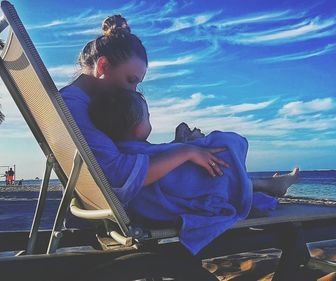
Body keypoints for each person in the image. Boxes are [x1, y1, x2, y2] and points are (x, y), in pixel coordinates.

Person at [61, 15, 298, 254]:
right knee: (219, 147)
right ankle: (265, 186)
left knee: (202, 159)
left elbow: (123, 152)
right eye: (131, 80)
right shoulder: (74, 108)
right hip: (138, 205)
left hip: (129, 200)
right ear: (102, 67)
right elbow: (118, 175)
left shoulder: (82, 103)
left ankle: (265, 185)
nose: (132, 90)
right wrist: (185, 152)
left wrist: (177, 148)